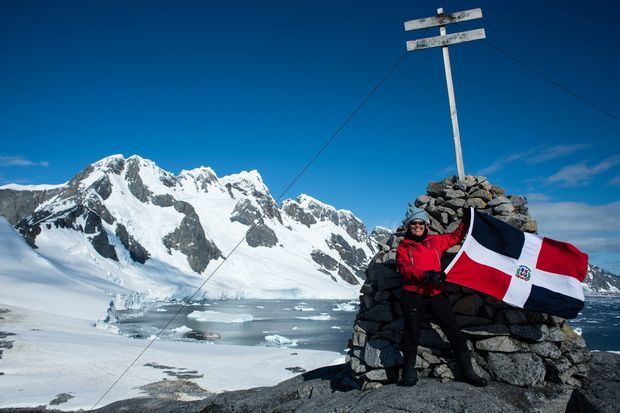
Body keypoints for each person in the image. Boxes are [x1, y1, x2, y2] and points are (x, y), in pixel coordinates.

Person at [396, 203, 487, 387]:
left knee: (453, 330)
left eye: (421, 223)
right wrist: (427, 275)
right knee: (411, 333)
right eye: (414, 224)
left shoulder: (436, 241)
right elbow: (405, 269)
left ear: (427, 225)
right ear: (408, 226)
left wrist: (467, 218)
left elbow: (455, 237)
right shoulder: (403, 247)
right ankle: (408, 373)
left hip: (436, 294)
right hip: (413, 295)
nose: (418, 227)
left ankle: (468, 372)